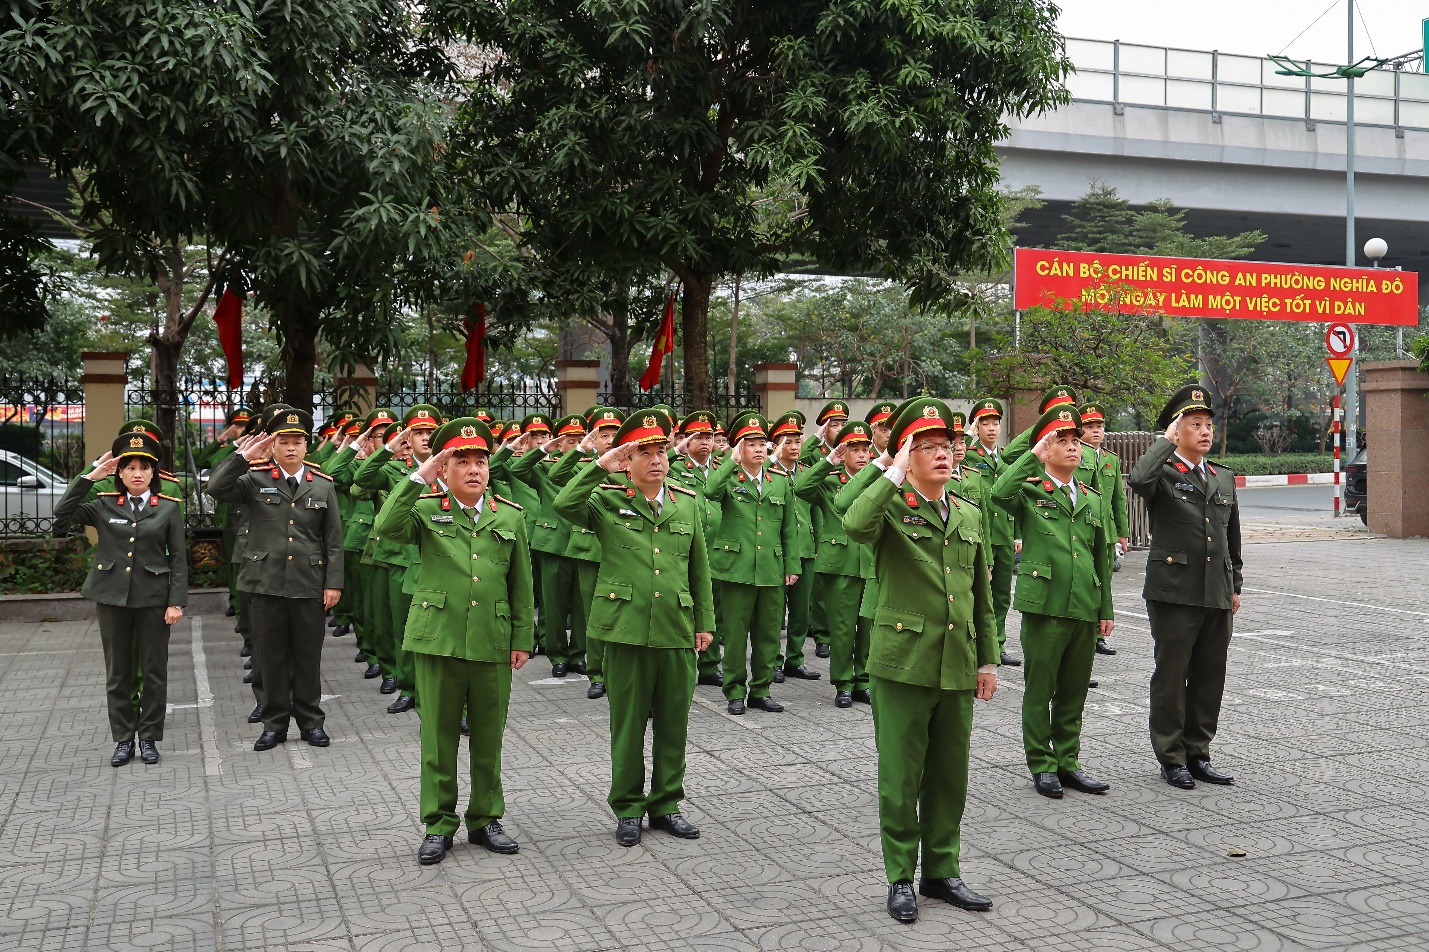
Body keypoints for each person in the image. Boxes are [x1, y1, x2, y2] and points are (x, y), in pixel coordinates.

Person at [843, 398, 998, 924]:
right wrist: (891, 469)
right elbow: (854, 523)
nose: (942, 454)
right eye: (926, 447)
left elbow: (980, 595)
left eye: (946, 445)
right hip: (903, 662)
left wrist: (988, 661)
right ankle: (900, 878)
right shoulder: (888, 507)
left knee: (950, 777)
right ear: (908, 455)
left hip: (957, 662)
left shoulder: (970, 513)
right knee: (901, 777)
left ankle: (942, 872)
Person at [372, 418, 534, 865]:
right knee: (439, 738)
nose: (474, 469)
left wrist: (522, 637)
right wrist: (419, 475)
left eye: (480, 460)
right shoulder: (425, 509)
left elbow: (521, 583)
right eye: (461, 461)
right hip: (438, 638)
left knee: (488, 736)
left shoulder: (509, 515)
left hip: (492, 639)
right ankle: (439, 823)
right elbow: (385, 526)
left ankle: (485, 819)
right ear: (444, 469)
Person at [553, 410, 715, 846]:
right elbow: (564, 504)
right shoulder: (606, 501)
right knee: (627, 725)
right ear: (627, 461)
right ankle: (628, 807)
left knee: (673, 723)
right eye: (645, 452)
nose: (657, 459)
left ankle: (666, 805)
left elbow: (698, 568)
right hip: (624, 628)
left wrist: (704, 622)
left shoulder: (686, 502)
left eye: (661, 450)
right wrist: (599, 465)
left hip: (676, 626)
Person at [991, 405, 1115, 799]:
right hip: (1044, 605)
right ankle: (1042, 764)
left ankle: (1068, 761)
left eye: (1076, 440)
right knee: (1040, 688)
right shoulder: (1029, 490)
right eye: (1061, 441)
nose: (1073, 447)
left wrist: (1106, 609)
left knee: (1074, 691)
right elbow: (998, 493)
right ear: (1046, 448)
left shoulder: (1093, 498)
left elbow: (1101, 556)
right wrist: (1034, 453)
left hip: (1084, 604)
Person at [209, 405, 344, 751]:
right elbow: (216, 487)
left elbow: (332, 540)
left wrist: (333, 583)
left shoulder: (322, 485)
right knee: (270, 658)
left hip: (308, 583)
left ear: (307, 445)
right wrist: (244, 456)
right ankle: (274, 724)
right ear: (273, 444)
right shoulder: (255, 479)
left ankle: (311, 723)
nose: (291, 447)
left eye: (297, 441)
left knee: (308, 657)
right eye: (284, 441)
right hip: (265, 582)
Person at [1129, 385, 1242, 790]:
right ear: (1177, 430)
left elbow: (1232, 539)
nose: (1205, 431)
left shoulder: (1222, 476)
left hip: (1216, 591)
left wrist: (1235, 585)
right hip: (1174, 591)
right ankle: (1172, 757)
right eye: (1195, 424)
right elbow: (1137, 479)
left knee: (1210, 676)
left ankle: (1198, 753)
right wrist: (1165, 441)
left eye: (1208, 424)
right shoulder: (1161, 473)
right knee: (1172, 677)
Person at [55, 431, 187, 767]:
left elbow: (178, 558)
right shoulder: (104, 504)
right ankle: (123, 739)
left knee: (154, 671)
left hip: (154, 598)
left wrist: (176, 602)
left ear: (154, 473)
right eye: (130, 467)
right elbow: (63, 511)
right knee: (118, 672)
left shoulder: (168, 508)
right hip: (112, 597)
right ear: (120, 473)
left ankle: (149, 737)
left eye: (144, 467)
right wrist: (91, 475)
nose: (137, 473)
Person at [704, 412, 800, 715]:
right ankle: (734, 691)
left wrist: (792, 565)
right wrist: (731, 460)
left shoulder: (779, 481)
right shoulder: (728, 477)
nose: (758, 449)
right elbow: (709, 491)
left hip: (771, 568)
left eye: (761, 444)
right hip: (736, 569)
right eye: (750, 444)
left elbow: (789, 526)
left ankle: (761, 690)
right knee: (735, 635)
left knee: (768, 635)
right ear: (739, 448)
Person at [356, 406, 441, 712]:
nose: (425, 438)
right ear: (408, 438)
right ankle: (408, 687)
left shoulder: (451, 467)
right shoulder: (394, 470)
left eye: (431, 432)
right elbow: (360, 479)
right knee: (403, 627)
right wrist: (387, 449)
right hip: (399, 559)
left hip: (439, 559)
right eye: (418, 433)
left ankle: (443, 694)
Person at [546, 407, 626, 699]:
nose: (609, 439)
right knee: (593, 614)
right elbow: (556, 475)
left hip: (624, 548)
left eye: (615, 434)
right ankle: (597, 674)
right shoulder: (585, 467)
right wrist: (582, 449)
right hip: (590, 549)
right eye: (603, 435)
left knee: (623, 612)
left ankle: (619, 670)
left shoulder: (632, 466)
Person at [793, 420, 874, 707]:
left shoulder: (877, 480)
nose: (862, 454)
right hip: (839, 564)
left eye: (865, 449)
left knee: (868, 628)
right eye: (854, 449)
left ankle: (864, 681)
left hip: (870, 563)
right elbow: (801, 488)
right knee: (842, 629)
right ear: (843, 451)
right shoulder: (829, 481)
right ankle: (843, 683)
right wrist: (828, 461)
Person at [511, 412, 587, 677]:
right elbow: (517, 470)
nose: (575, 445)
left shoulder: (593, 467)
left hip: (583, 543)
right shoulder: (546, 469)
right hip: (554, 543)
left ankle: (578, 654)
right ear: (559, 442)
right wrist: (544, 449)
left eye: (580, 440)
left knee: (581, 605)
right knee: (553, 605)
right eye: (569, 441)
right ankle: (557, 656)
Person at [767, 411, 820, 684]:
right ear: (776, 445)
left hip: (806, 549)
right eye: (788, 442)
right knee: (776, 611)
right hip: (779, 551)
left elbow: (816, 513)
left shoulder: (808, 473)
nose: (795, 447)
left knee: (801, 611)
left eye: (798, 441)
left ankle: (795, 659)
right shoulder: (768, 473)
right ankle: (774, 661)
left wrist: (818, 545)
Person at [967, 398, 1020, 668]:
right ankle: (978, 645)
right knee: (979, 594)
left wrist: (1017, 534)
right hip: (981, 536)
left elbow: (1014, 495)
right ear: (976, 428)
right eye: (984, 423)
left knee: (1001, 595)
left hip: (1004, 534)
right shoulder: (969, 455)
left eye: (995, 423)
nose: (991, 428)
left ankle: (998, 645)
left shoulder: (1004, 457)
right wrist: (968, 436)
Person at [1076, 402, 1130, 654]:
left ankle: (1099, 635)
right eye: (1090, 427)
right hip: (1084, 529)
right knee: (1085, 582)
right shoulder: (1075, 454)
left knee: (1104, 584)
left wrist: (1122, 533)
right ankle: (1083, 632)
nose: (1096, 431)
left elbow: (1118, 498)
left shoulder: (1111, 459)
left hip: (1107, 531)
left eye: (1099, 426)